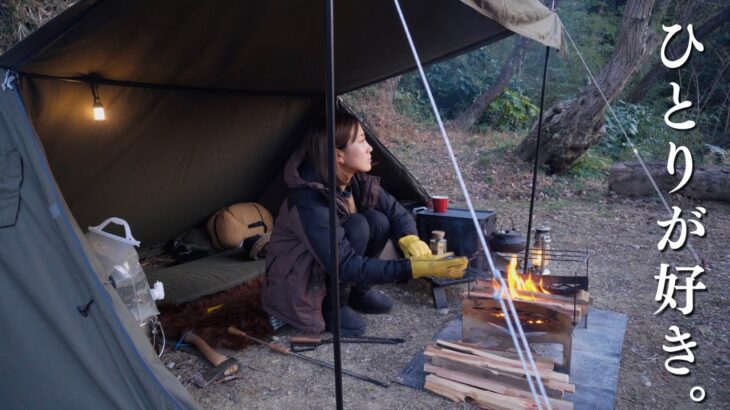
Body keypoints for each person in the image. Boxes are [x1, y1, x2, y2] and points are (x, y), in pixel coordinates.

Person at [262, 112, 467, 336]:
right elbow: (345, 264)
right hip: (301, 284)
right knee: (358, 225)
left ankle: (357, 292)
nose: (370, 147)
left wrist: (411, 238)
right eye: (361, 141)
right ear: (338, 155)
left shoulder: (353, 177)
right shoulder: (307, 199)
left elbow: (396, 211)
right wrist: (413, 268)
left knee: (377, 220)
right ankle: (333, 306)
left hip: (327, 264)